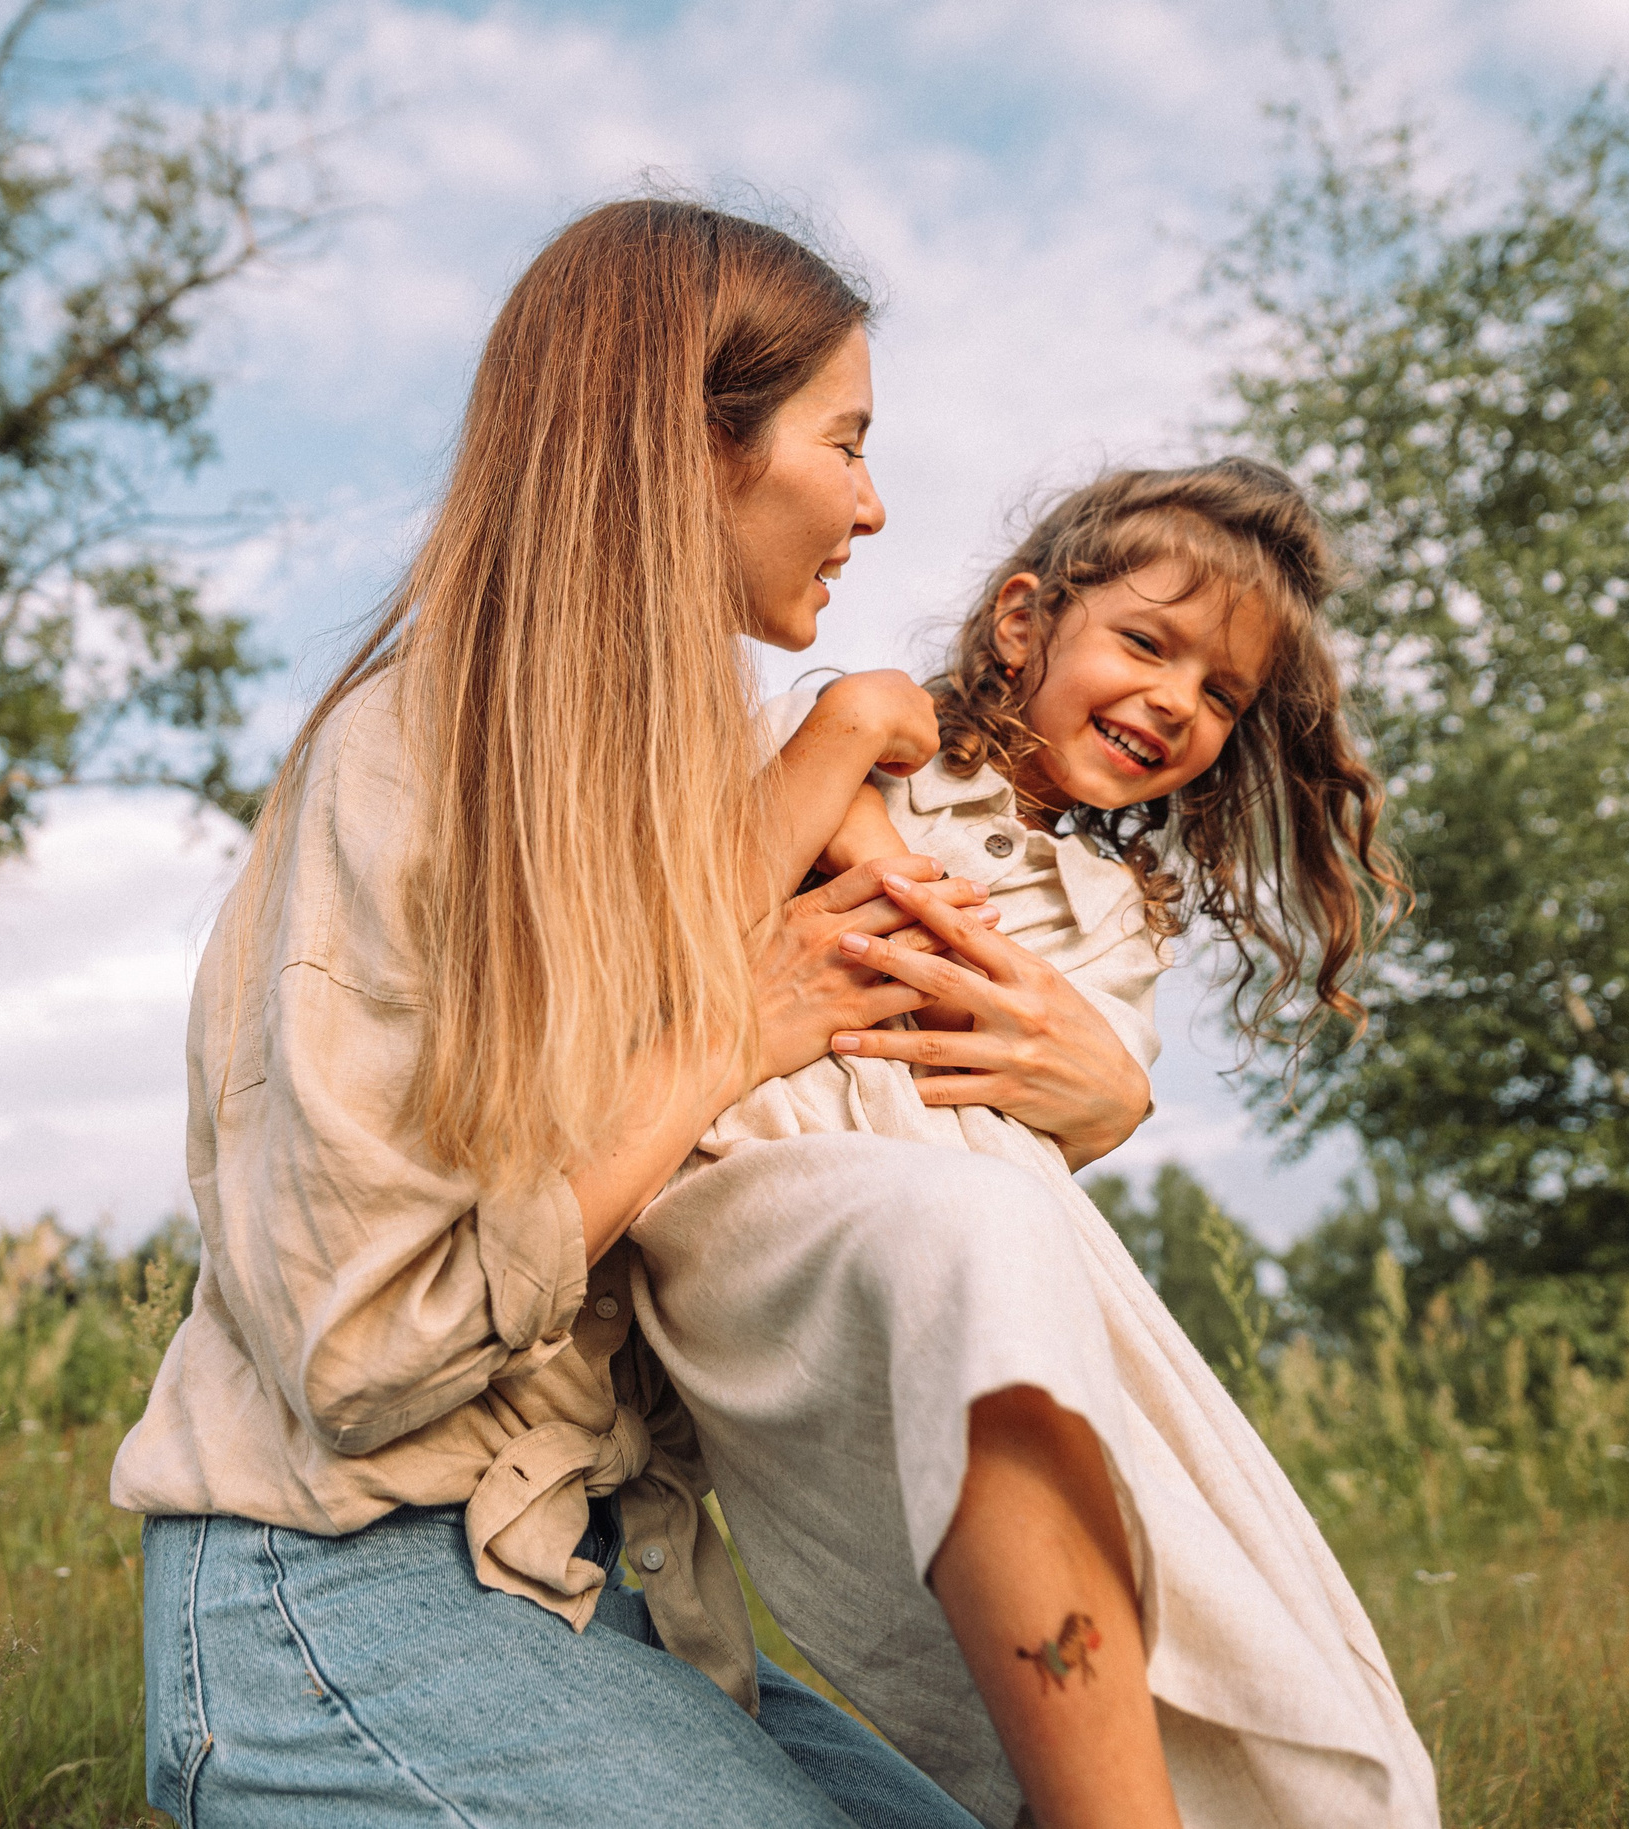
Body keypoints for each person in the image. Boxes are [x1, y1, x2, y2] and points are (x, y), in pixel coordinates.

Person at [110, 199, 1159, 1828]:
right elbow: (357, 1352)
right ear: (694, 444)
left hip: (595, 1577)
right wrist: (716, 1040)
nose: (876, 506)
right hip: (332, 1586)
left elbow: (884, 1126)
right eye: (847, 441)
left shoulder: (698, 793)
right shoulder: (404, 766)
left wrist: (1098, 1087)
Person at [630, 460, 1442, 1828]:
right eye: (1146, 642)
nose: (1177, 700)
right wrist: (844, 739)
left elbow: (1062, 1093)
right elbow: (687, 921)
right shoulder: (861, 736)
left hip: (964, 1217)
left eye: (1222, 694)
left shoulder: (1116, 914)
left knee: (1211, 1549)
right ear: (1023, 623)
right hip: (765, 1185)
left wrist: (1107, 1085)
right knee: (989, 1266)